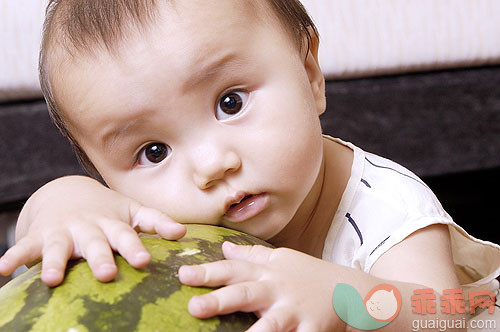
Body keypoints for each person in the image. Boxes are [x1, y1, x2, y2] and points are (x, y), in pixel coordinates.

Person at [1, 0, 499, 330]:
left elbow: (446, 316)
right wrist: (61, 205)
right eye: (153, 151)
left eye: (231, 103)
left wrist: (347, 304)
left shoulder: (388, 209)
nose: (211, 165)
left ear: (309, 74)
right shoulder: (153, 208)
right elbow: (56, 211)